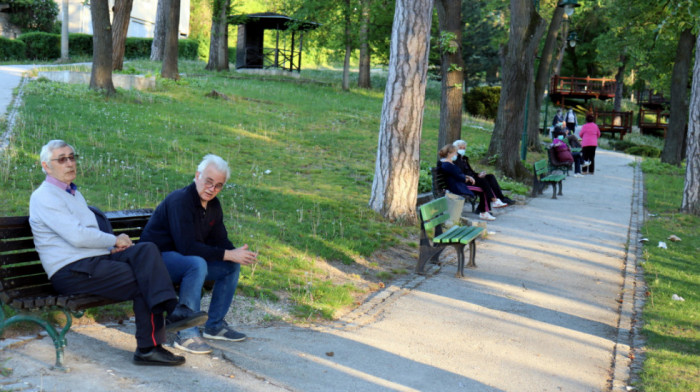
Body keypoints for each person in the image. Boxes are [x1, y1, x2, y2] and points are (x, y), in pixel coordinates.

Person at [29, 140, 207, 366]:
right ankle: (150, 346)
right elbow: (77, 236)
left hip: (93, 261)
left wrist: (108, 247)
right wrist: (114, 240)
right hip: (71, 271)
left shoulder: (73, 193)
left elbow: (85, 235)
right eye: (62, 159)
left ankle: (170, 313)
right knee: (145, 278)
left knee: (147, 251)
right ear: (46, 166)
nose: (70, 163)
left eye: (72, 157)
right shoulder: (45, 196)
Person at [140, 154, 258, 355]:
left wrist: (236, 254)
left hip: (182, 260)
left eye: (218, 185)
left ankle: (215, 325)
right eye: (209, 182)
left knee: (230, 266)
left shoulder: (213, 205)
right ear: (197, 176)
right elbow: (187, 247)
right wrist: (228, 254)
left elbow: (220, 240)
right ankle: (186, 332)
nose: (212, 189)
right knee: (196, 264)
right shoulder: (180, 200)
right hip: (155, 260)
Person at [437, 144, 496, 221]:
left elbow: (459, 174)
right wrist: (468, 178)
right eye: (455, 152)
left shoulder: (449, 163)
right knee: (483, 189)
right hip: (457, 186)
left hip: (458, 184)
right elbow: (460, 178)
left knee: (484, 187)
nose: (456, 154)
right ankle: (484, 212)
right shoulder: (447, 165)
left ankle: (484, 211)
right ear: (449, 153)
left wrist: (468, 177)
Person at [452, 140, 513, 207]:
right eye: (460, 148)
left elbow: (470, 171)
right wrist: (474, 177)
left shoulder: (464, 159)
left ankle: (500, 198)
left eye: (464, 148)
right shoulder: (455, 160)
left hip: (472, 178)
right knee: (483, 182)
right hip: (465, 181)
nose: (462, 150)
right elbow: (460, 173)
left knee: (490, 177)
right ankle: (494, 200)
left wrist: (478, 174)